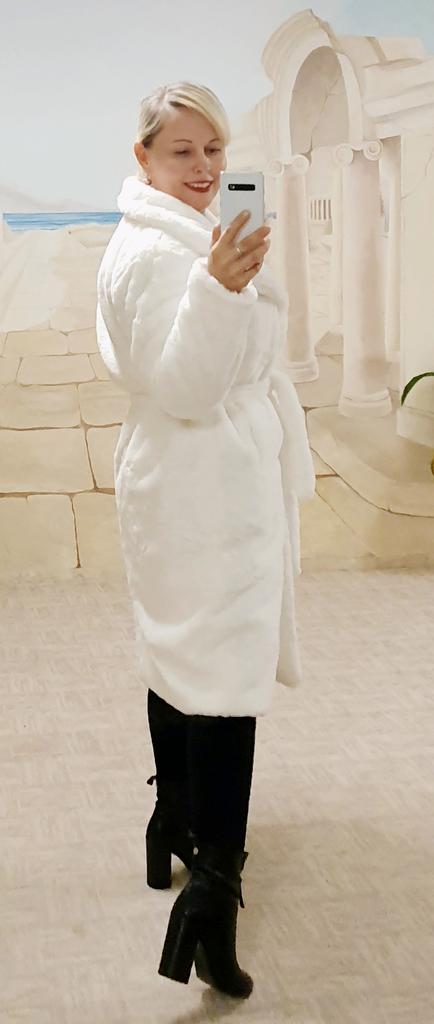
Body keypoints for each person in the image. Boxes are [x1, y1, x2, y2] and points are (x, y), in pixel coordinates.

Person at [96, 81, 316, 999]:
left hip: (185, 483)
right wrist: (221, 289)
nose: (204, 167)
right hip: (205, 489)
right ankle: (212, 901)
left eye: (214, 148)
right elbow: (187, 388)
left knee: (180, 662)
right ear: (143, 158)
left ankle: (172, 826)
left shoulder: (184, 234)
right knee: (223, 687)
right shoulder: (161, 255)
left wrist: (225, 275)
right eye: (181, 151)